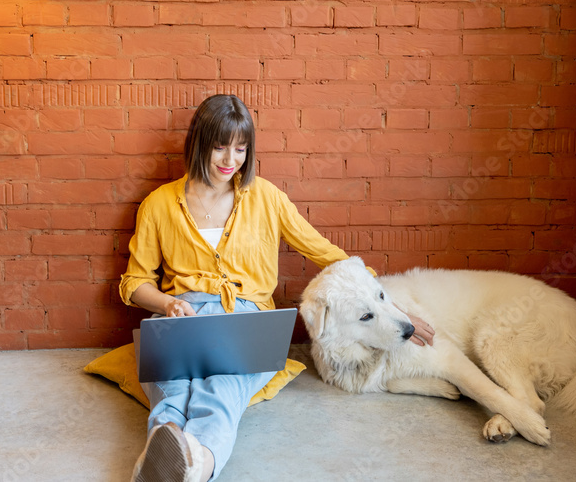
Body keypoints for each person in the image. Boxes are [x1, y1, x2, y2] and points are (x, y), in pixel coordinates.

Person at [120, 94, 434, 482]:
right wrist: (167, 303)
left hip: (245, 320)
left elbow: (328, 254)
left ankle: (195, 462)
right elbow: (134, 283)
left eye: (240, 148)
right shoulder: (158, 205)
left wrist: (392, 309)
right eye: (219, 147)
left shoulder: (266, 197)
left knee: (223, 385)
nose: (229, 160)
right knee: (172, 385)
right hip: (182, 316)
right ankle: (166, 447)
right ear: (198, 143)